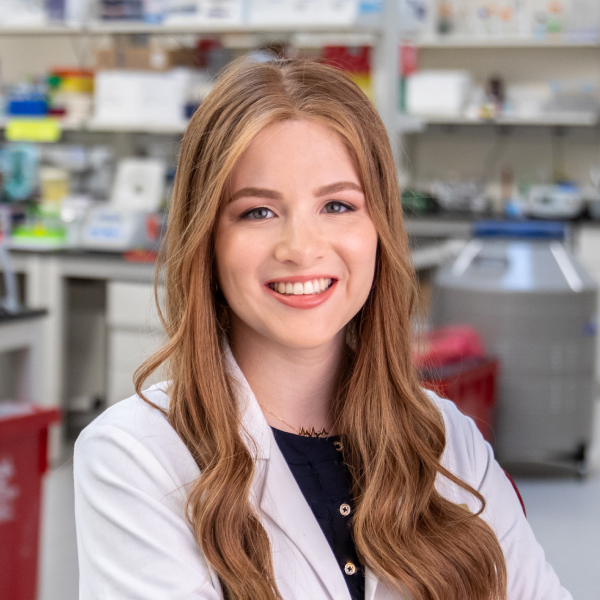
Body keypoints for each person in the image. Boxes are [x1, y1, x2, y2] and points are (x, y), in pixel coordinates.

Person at [74, 57, 571, 600]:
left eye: (338, 205)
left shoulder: (449, 442)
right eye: (258, 212)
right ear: (206, 241)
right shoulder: (136, 456)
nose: (302, 248)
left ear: (379, 228)